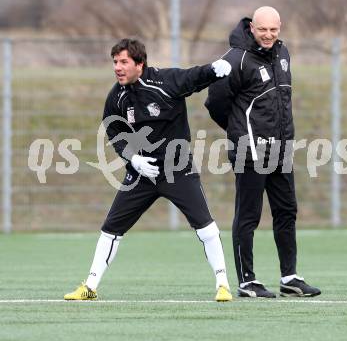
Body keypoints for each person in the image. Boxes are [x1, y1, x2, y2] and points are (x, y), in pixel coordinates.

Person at [64, 38, 233, 302]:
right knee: (111, 229)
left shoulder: (165, 82)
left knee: (205, 227)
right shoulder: (116, 97)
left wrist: (215, 70)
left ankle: (223, 284)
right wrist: (133, 159)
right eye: (115, 62)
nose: (117, 68)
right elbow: (114, 131)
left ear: (139, 63)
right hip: (142, 174)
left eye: (123, 62)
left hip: (178, 170)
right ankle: (90, 286)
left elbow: (193, 77)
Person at [205, 7, 321, 298]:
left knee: (287, 210)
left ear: (280, 27)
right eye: (262, 30)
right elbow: (215, 102)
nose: (268, 35)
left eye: (273, 30)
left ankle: (289, 277)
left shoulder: (283, 54)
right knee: (249, 214)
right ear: (251, 28)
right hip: (249, 150)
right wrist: (237, 131)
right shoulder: (236, 59)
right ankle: (247, 281)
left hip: (281, 149)